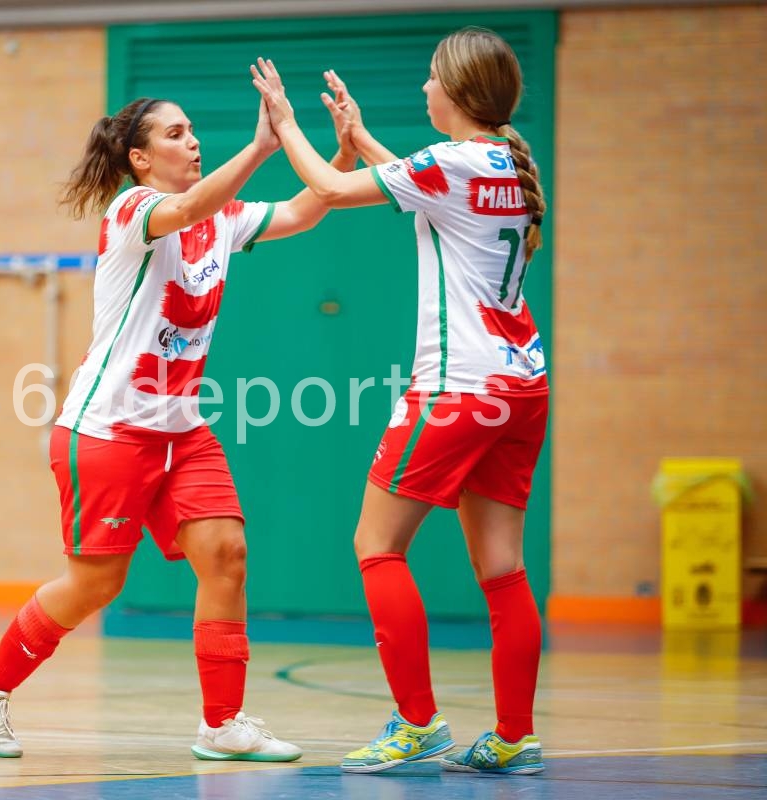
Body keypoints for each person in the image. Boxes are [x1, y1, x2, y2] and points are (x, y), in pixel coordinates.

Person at [0, 92, 357, 762]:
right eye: (177, 133)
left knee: (227, 555)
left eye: (194, 129)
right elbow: (190, 207)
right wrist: (262, 145)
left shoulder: (224, 218)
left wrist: (341, 152)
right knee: (97, 586)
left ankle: (222, 724)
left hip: (181, 431)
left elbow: (303, 210)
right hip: (106, 431)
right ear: (140, 158)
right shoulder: (133, 210)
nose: (193, 140)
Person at [251, 26, 548, 776]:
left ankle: (417, 722)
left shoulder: (452, 162)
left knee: (376, 545)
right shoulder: (507, 162)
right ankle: (515, 735)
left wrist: (284, 123)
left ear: (457, 91)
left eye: (429, 78)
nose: (423, 88)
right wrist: (362, 136)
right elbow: (424, 191)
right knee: (503, 568)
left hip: (458, 386)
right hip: (522, 384)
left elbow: (329, 189)